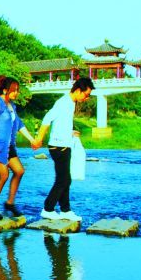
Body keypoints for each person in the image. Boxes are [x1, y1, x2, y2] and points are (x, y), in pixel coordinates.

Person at [34, 77, 94, 221]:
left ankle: (65, 211)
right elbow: (47, 119)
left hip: (64, 144)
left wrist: (70, 132)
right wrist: (38, 139)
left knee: (65, 179)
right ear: (79, 90)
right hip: (58, 146)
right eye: (86, 95)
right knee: (63, 179)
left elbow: (62, 123)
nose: (86, 98)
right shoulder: (63, 103)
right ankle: (48, 208)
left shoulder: (71, 103)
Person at [0, 76, 41, 220]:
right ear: (5, 90)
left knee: (19, 171)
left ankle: (9, 203)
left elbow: (19, 124)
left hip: (9, 146)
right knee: (3, 175)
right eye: (13, 90)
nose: (16, 93)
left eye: (17, 90)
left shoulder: (12, 106)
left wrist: (32, 140)